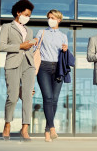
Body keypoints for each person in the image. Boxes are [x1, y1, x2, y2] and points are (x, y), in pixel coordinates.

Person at [0, 0, 36, 142]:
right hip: (13, 63)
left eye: (29, 15)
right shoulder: (7, 27)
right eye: (26, 14)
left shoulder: (29, 30)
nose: (28, 17)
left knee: (27, 97)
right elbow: (1, 46)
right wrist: (20, 46)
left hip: (28, 64)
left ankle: (25, 129)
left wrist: (32, 45)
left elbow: (28, 48)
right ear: (18, 13)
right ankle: (7, 124)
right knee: (12, 97)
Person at [35, 9, 68, 142]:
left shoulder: (63, 36)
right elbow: (34, 48)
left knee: (54, 99)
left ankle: (47, 130)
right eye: (49, 17)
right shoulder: (42, 32)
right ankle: (52, 128)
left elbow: (64, 55)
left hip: (58, 68)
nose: (50, 19)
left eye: (53, 17)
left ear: (59, 20)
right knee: (47, 98)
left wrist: (65, 50)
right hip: (44, 67)